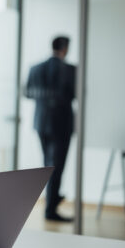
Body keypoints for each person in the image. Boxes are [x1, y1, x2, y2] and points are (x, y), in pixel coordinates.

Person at [25, 36, 77, 223]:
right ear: (65, 48)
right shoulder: (70, 70)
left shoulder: (36, 68)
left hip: (41, 122)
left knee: (48, 164)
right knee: (57, 166)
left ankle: (53, 200)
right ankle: (51, 207)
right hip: (61, 123)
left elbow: (27, 92)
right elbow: (75, 93)